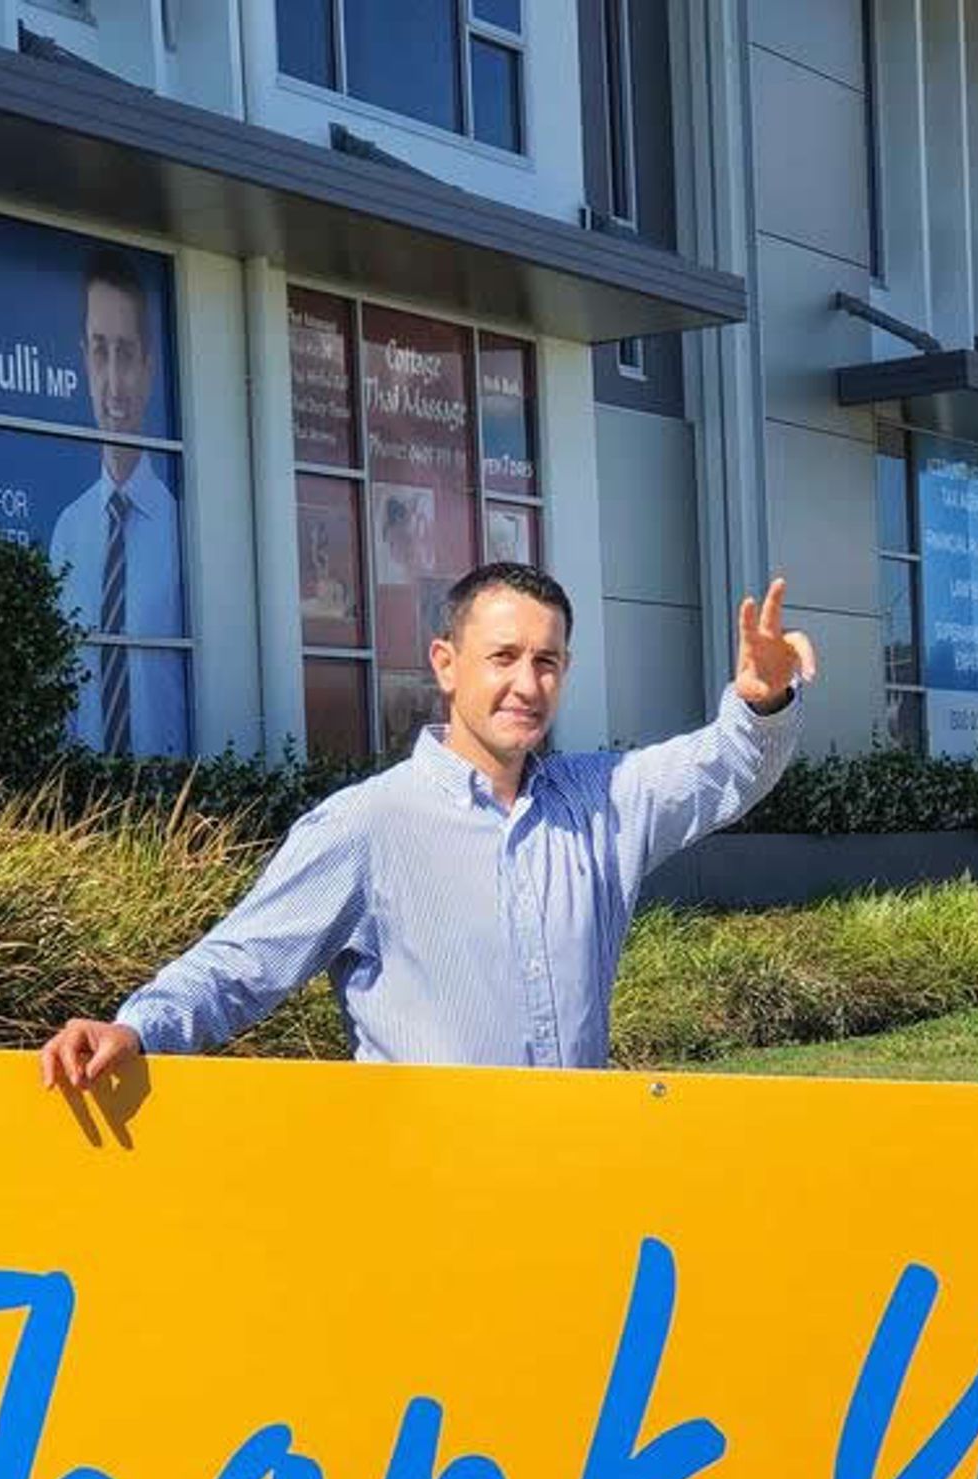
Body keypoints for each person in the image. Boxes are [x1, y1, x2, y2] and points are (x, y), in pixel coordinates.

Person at [40, 562, 816, 1084]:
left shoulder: (604, 802)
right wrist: (137, 1029)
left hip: (577, 1190)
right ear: (446, 664)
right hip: (429, 1203)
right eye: (502, 657)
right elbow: (243, 962)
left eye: (546, 662)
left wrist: (762, 700)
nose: (526, 684)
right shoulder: (367, 826)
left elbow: (726, 767)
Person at [47, 250, 189, 759]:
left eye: (125, 354)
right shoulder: (69, 532)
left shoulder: (182, 530)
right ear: (84, 358)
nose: (112, 382)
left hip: (170, 800)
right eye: (100, 352)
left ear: (149, 368)